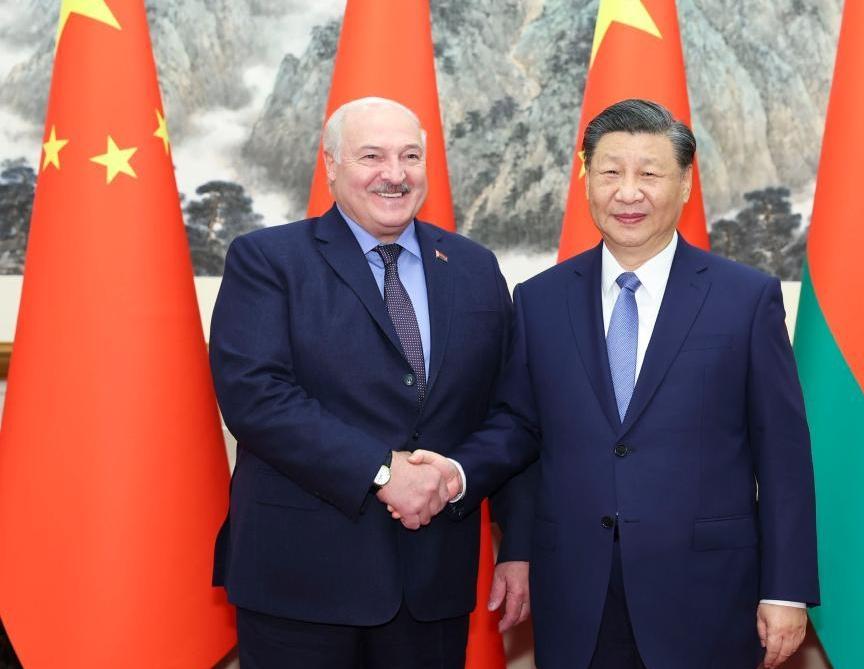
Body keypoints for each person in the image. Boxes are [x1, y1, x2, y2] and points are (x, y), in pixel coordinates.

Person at [412, 98, 819, 668]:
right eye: (610, 172)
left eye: (649, 173)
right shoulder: (539, 299)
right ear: (587, 182)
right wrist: (493, 516)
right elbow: (522, 433)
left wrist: (785, 589)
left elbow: (782, 453)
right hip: (575, 590)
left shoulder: (745, 299)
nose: (628, 193)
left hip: (706, 591)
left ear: (685, 183)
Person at [209, 96, 532, 668]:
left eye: (410, 156)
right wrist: (381, 472)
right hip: (300, 583)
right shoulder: (267, 260)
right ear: (331, 165)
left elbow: (513, 413)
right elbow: (256, 396)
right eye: (372, 156)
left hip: (432, 586)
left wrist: (461, 482)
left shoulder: (475, 267)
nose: (395, 173)